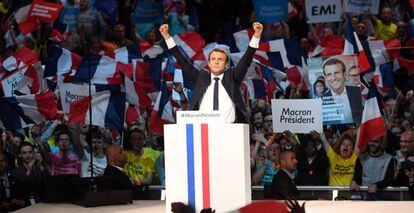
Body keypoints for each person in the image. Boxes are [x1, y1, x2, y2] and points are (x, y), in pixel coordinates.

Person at [159, 22, 263, 124]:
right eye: (213, 59)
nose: (216, 62)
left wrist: (256, 36)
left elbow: (246, 60)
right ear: (209, 64)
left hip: (229, 129)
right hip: (204, 128)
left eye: (220, 59)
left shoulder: (232, 77)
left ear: (226, 64)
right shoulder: (201, 77)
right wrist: (167, 37)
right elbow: (182, 60)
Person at [322, 58, 362, 124]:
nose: (333, 78)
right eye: (329, 74)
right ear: (326, 77)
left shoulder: (357, 91)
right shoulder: (322, 101)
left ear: (344, 74)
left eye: (336, 73)